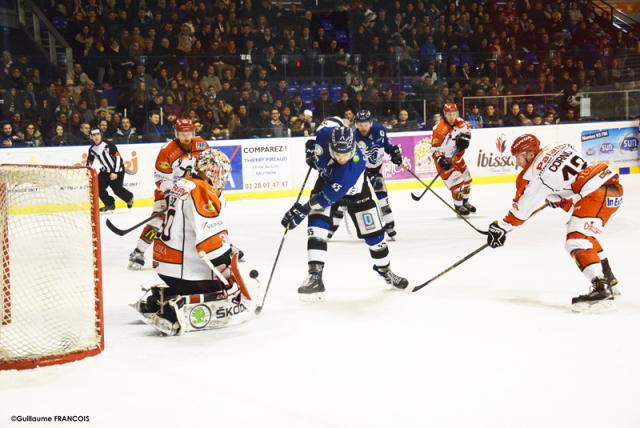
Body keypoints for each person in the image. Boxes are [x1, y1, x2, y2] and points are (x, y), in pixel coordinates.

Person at [486, 134, 623, 312]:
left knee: (575, 240)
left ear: (528, 154)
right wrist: (557, 196)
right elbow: (568, 177)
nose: (517, 162)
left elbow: (520, 212)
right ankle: (609, 279)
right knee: (583, 235)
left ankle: (600, 290)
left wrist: (501, 227)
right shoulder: (559, 145)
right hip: (612, 188)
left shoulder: (533, 175)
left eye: (519, 157)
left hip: (595, 195)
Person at [132, 149, 253, 335]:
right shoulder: (202, 190)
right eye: (221, 172)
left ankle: (160, 298)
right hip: (186, 272)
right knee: (229, 291)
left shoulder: (181, 183)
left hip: (165, 267)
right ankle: (175, 309)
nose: (223, 177)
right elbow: (211, 245)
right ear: (210, 170)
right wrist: (228, 272)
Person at [281, 126, 408, 301]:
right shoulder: (326, 135)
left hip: (357, 196)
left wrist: (302, 210)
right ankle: (315, 277)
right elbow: (320, 134)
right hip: (326, 184)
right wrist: (311, 148)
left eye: (346, 154)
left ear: (353, 148)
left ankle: (385, 271)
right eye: (337, 153)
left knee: (376, 240)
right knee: (317, 228)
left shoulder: (353, 167)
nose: (341, 158)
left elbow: (325, 199)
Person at [128, 119, 208, 269]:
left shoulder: (201, 144)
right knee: (158, 221)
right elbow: (161, 177)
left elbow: (206, 165)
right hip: (170, 191)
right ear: (176, 133)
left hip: (192, 190)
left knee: (203, 219)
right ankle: (138, 251)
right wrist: (169, 193)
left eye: (189, 133)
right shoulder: (167, 150)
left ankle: (217, 248)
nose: (186, 137)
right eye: (182, 133)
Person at [431, 102, 475, 215]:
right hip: (446, 160)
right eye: (449, 114)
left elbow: (468, 133)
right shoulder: (439, 129)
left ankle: (465, 202)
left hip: (458, 158)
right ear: (444, 114)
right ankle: (458, 206)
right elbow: (434, 149)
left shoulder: (461, 122)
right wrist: (441, 160)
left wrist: (466, 139)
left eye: (454, 113)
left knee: (468, 180)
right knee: (458, 184)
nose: (452, 116)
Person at [86, 128, 134, 212]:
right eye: (93, 135)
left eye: (98, 134)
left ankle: (129, 197)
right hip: (105, 171)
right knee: (97, 188)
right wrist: (87, 170)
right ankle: (109, 204)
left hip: (117, 170)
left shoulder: (108, 144)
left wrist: (114, 172)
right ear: (91, 137)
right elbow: (89, 160)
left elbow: (118, 158)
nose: (96, 136)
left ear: (101, 135)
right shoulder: (92, 149)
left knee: (117, 189)